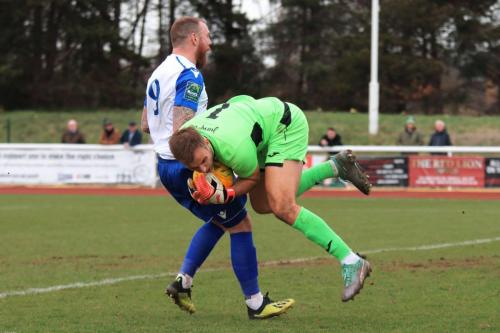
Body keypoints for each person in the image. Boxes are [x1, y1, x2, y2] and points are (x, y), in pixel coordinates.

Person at [142, 17, 294, 319]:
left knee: (222, 219)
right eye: (208, 36)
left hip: (165, 166)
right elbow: (182, 132)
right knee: (240, 225)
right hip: (189, 166)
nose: (211, 42)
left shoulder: (157, 73)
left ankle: (183, 281)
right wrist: (206, 167)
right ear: (195, 39)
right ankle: (255, 304)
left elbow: (146, 124)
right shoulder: (190, 76)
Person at [169, 95, 372, 303]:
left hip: (284, 125)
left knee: (283, 207)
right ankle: (335, 167)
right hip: (257, 129)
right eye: (195, 167)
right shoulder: (188, 134)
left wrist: (226, 194)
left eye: (204, 161)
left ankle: (350, 261)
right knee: (262, 205)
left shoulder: (234, 148)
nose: (203, 169)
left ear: (204, 140)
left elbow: (251, 179)